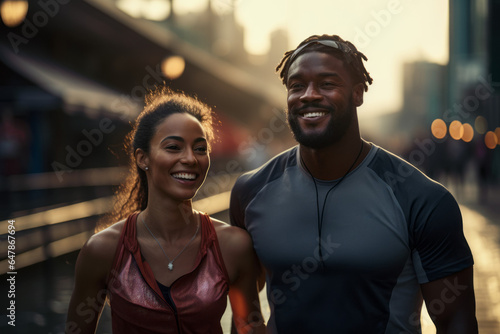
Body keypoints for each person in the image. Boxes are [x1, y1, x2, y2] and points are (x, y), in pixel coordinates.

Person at [230, 34, 478, 333]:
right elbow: (243, 307)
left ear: (358, 94)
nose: (309, 94)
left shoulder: (421, 199)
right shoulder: (251, 192)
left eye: (327, 83)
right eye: (297, 85)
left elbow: (457, 323)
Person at [66, 87, 266, 334]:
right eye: (174, 147)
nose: (191, 159)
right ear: (143, 159)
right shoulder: (102, 250)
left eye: (201, 149)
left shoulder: (233, 245)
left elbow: (250, 327)